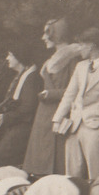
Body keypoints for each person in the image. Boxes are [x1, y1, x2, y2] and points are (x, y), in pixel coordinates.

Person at [53, 31, 99, 180]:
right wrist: (57, 119)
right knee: (72, 175)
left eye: (81, 45)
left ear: (92, 45)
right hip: (74, 125)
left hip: (95, 126)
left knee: (97, 174)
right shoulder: (80, 66)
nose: (79, 49)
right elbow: (69, 94)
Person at [25, 19, 79, 177]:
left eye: (47, 33)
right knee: (40, 165)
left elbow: (74, 89)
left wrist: (51, 94)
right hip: (43, 115)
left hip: (59, 113)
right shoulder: (50, 60)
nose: (43, 37)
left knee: (56, 165)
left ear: (57, 35)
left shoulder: (72, 57)